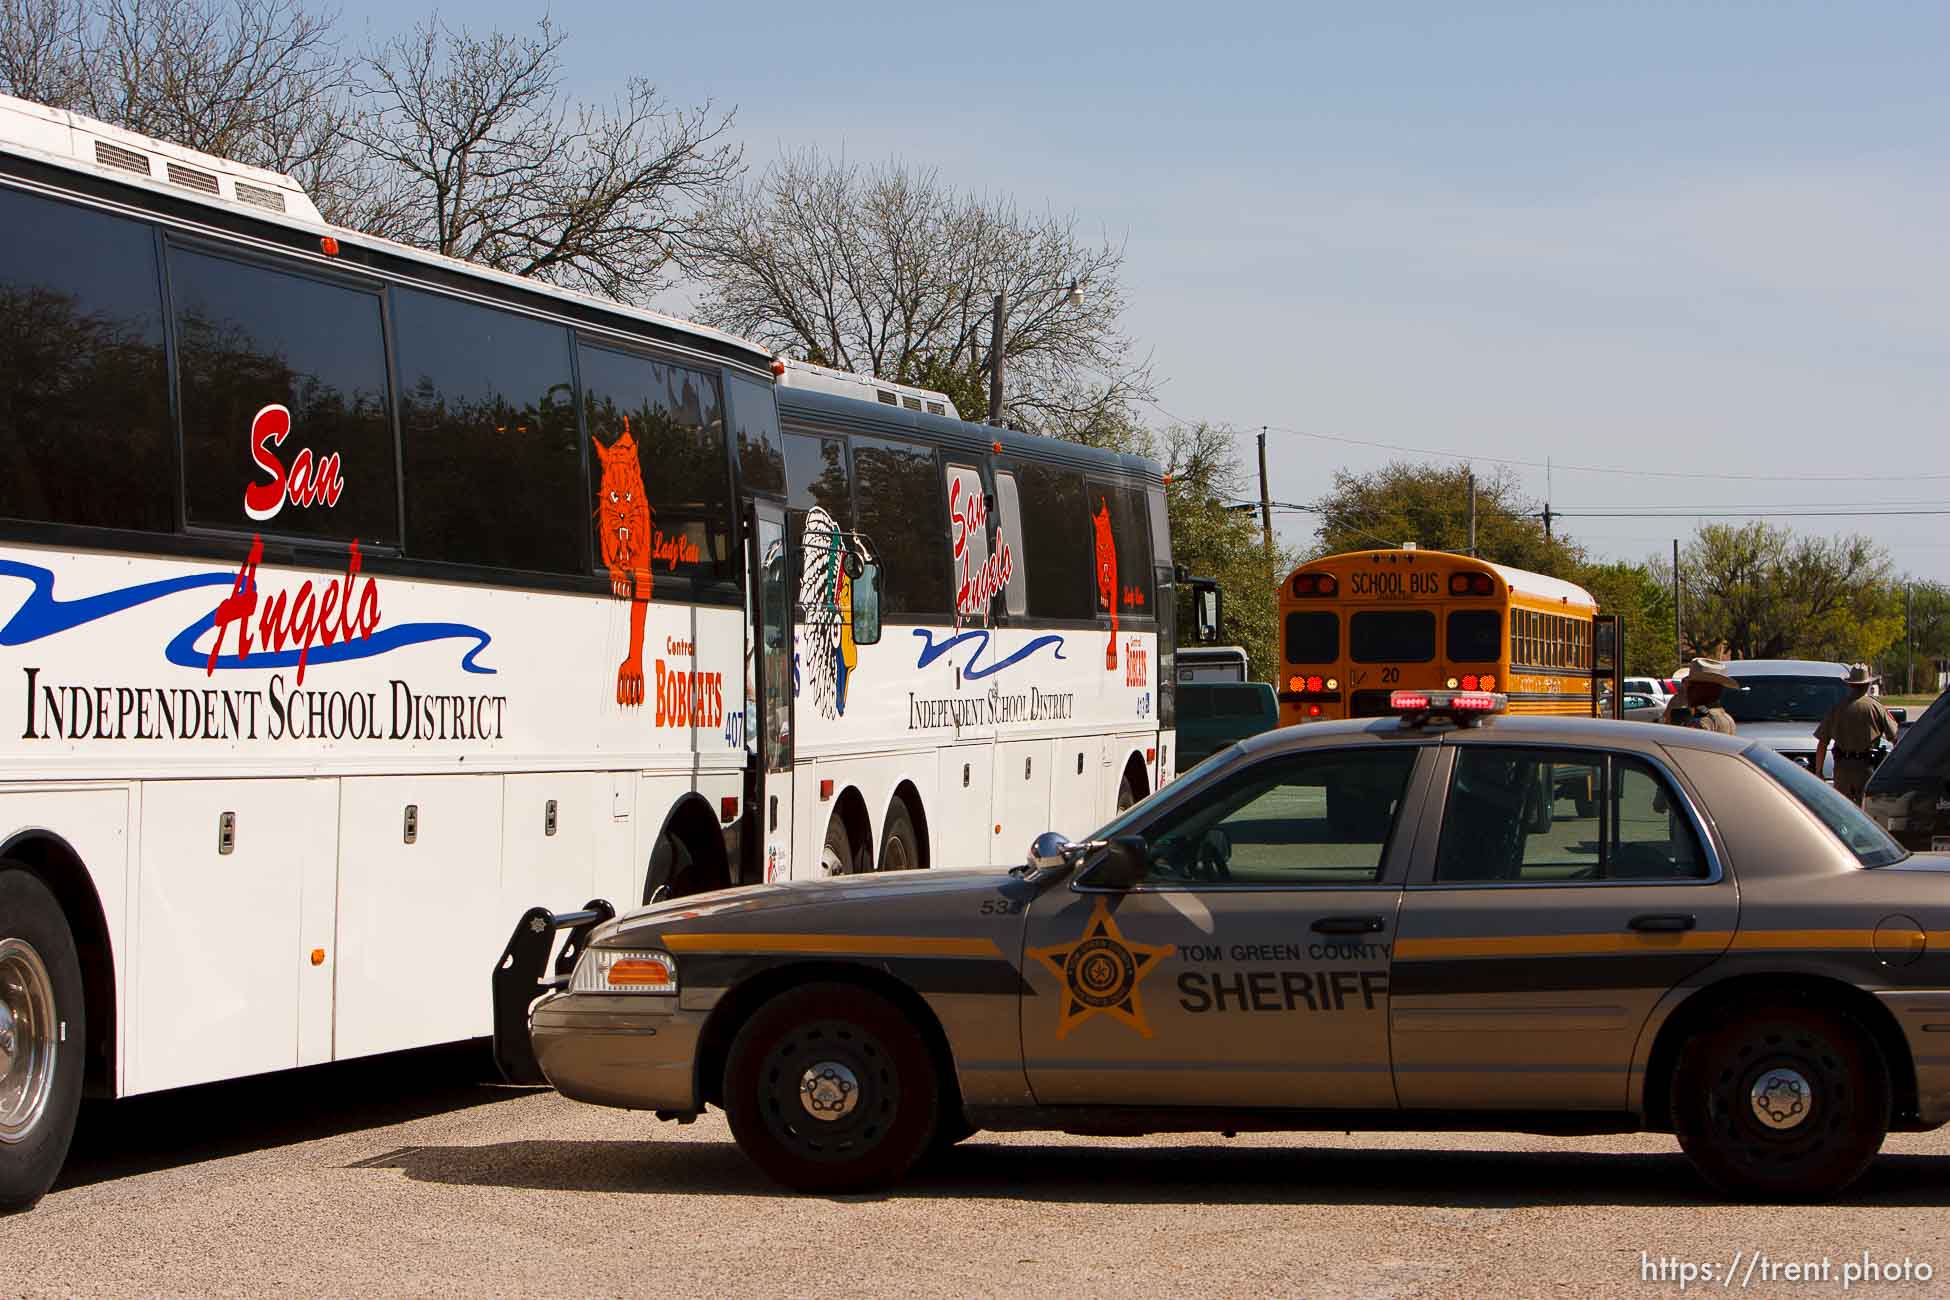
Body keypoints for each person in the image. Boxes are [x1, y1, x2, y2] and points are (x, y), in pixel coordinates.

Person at [1813, 664, 1900, 806]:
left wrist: (1819, 771)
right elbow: (1895, 738)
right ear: (1867, 684)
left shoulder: (1838, 708)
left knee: (1842, 810)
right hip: (1866, 768)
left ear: (1850, 685)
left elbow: (1822, 742)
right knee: (1866, 811)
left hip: (1842, 769)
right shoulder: (1876, 707)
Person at [1661, 658, 1739, 734]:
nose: (1687, 691)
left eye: (1691, 686)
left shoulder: (1702, 723)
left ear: (1705, 690)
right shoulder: (1728, 719)